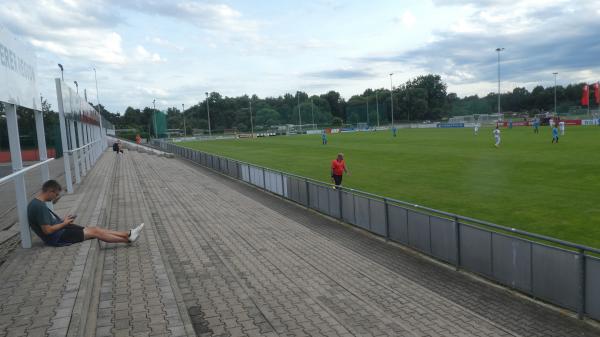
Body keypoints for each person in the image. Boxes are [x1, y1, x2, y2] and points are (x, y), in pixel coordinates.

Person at [28, 180, 144, 246]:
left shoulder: (36, 203)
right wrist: (64, 223)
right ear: (50, 191)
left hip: (60, 232)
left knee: (94, 229)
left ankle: (128, 234)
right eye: (56, 194)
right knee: (95, 232)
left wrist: (63, 221)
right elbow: (47, 231)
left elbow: (49, 224)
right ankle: (127, 237)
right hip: (57, 238)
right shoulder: (39, 207)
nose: (56, 198)